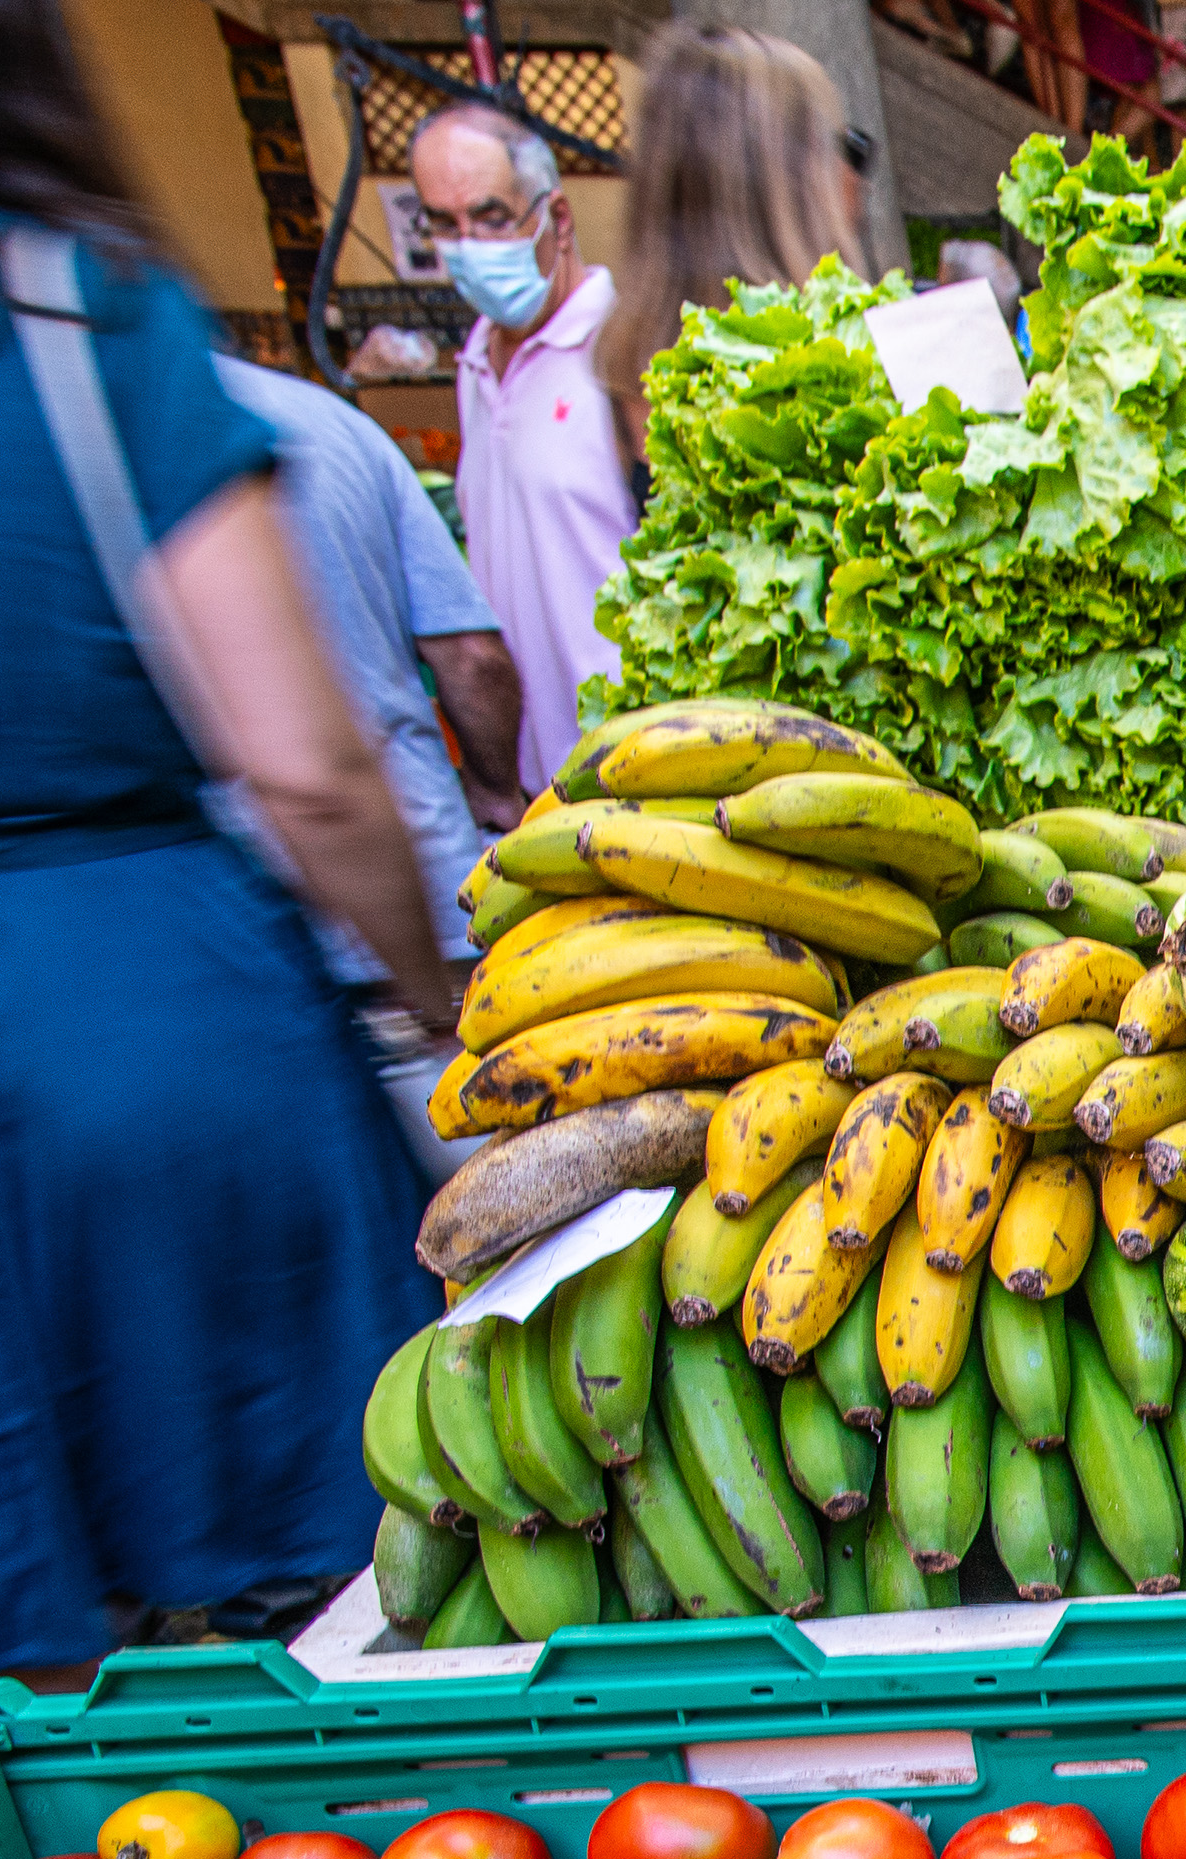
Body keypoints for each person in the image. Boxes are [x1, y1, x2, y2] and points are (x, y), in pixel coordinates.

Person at [0, 0, 442, 1686]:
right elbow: (306, 767)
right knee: (332, 1593)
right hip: (145, 1007)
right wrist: (436, 992)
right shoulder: (75, 314)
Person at [213, 352, 521, 1156]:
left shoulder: (68, 441)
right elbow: (470, 655)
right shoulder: (334, 425)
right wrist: (495, 792)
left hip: (238, 958)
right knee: (488, 1240)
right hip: (420, 927)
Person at [410, 94, 628, 790]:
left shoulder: (623, 352)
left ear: (556, 218)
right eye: (445, 224)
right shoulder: (474, 365)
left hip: (640, 781)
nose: (469, 246)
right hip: (537, 791)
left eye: (491, 217)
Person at [598, 27, 869, 457]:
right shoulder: (855, 370)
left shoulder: (631, 371)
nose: (854, 173)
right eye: (845, 148)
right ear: (794, 186)